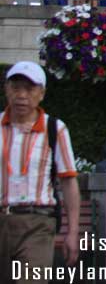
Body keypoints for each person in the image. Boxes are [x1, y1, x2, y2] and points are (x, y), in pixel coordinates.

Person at [0, 61, 81, 281]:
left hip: (38, 223)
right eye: (16, 88)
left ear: (42, 94)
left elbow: (69, 182)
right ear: (6, 90)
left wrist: (72, 233)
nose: (21, 95)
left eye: (29, 89)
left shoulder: (55, 129)